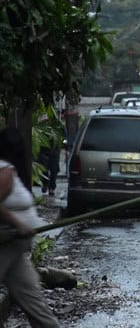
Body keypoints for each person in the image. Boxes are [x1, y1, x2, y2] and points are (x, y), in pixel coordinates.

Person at [0, 127, 60, 328]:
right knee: (31, 296)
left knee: (32, 297)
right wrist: (20, 224)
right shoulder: (4, 170)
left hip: (16, 247)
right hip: (6, 242)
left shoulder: (7, 170)